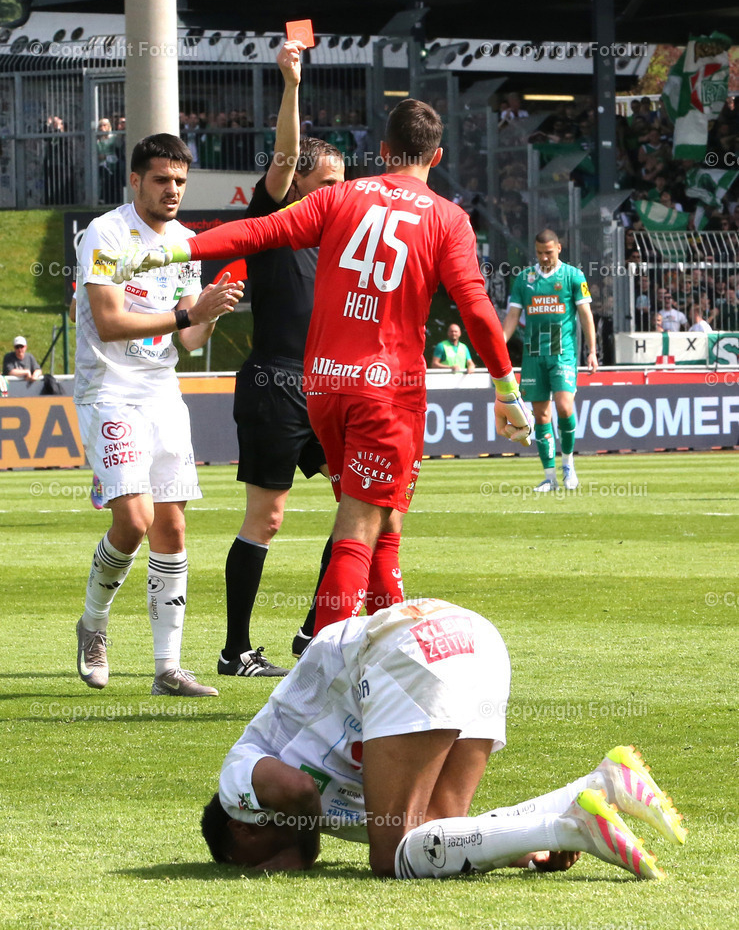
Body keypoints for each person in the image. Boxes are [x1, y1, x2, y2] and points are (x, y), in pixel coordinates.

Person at [102, 99, 533, 638]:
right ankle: (326, 677)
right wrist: (505, 386)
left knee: (384, 519)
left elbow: (256, 233)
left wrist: (177, 249)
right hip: (386, 387)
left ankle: (387, 646)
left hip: (324, 384)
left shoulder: (342, 196)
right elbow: (474, 306)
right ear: (437, 156)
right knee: (358, 527)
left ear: (381, 151)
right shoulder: (448, 217)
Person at [200, 598, 685, 880]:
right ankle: (601, 786)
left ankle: (570, 826)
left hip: (407, 649)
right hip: (476, 639)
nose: (248, 870)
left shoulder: (237, 774)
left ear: (241, 824)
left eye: (240, 863)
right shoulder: (329, 814)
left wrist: (293, 855)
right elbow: (442, 836)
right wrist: (509, 847)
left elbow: (297, 791)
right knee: (429, 837)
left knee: (390, 857)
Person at [73, 133, 243, 697]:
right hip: (109, 392)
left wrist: (211, 310)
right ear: (136, 181)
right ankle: (94, 622)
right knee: (135, 521)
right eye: (162, 180)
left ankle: (167, 669)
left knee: (172, 525)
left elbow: (190, 339)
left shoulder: (189, 242)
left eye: (180, 181)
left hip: (162, 393)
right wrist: (184, 312)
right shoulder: (106, 233)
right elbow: (110, 322)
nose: (173, 190)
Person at [218, 40, 345, 678]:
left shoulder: (338, 245)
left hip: (326, 389)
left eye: (342, 187)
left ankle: (310, 634)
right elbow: (287, 155)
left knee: (365, 503)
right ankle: (236, 650)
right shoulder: (277, 217)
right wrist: (292, 85)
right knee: (265, 520)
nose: (337, 197)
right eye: (327, 185)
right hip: (273, 388)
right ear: (298, 186)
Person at [503, 229, 598, 493]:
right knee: (542, 414)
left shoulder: (573, 276)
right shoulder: (524, 279)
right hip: (533, 355)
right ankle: (550, 477)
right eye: (539, 253)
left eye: (549, 252)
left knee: (565, 407)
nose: (544, 257)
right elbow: (512, 317)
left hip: (563, 353)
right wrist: (499, 346)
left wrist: (592, 350)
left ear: (559, 248)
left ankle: (568, 464)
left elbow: (586, 315)